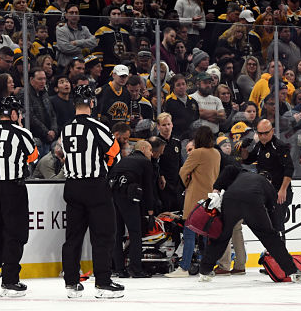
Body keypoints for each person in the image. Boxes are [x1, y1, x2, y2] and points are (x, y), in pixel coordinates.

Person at [60, 85, 124, 299]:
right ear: (92, 103)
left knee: (73, 237)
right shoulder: (97, 126)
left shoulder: (66, 128)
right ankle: (103, 282)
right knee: (103, 235)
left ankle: (71, 283)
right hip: (95, 186)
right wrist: (105, 164)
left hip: (72, 186)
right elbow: (114, 152)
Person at [198, 166, 301, 283]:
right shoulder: (268, 185)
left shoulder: (243, 173)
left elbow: (229, 168)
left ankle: (205, 271)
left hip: (230, 199)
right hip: (252, 201)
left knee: (222, 237)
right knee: (270, 238)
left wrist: (216, 188)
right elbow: (272, 211)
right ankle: (293, 271)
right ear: (269, 180)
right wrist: (275, 230)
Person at [0, 96, 39, 297]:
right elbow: (33, 157)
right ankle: (10, 280)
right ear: (14, 113)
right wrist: (21, 127)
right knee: (15, 233)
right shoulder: (21, 132)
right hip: (12, 188)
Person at [166, 126, 221, 277]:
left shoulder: (197, 153)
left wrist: (187, 183)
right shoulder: (216, 153)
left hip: (195, 198)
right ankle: (206, 268)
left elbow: (183, 172)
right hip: (210, 199)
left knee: (189, 234)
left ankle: (184, 268)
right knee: (205, 235)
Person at [108, 140, 156, 278]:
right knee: (135, 232)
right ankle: (136, 268)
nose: (151, 154)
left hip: (113, 196)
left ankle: (119, 268)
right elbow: (148, 188)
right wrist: (150, 209)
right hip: (128, 198)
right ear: (143, 148)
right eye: (150, 150)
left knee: (118, 234)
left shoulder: (124, 160)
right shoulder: (145, 162)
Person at [240, 118, 293, 236]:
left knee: (277, 224)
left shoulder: (280, 146)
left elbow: (289, 169)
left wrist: (283, 189)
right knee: (266, 224)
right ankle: (270, 250)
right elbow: (247, 160)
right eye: (260, 133)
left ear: (272, 131)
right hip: (263, 191)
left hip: (279, 190)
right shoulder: (259, 146)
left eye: (266, 133)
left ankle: (280, 251)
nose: (263, 136)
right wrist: (243, 148)